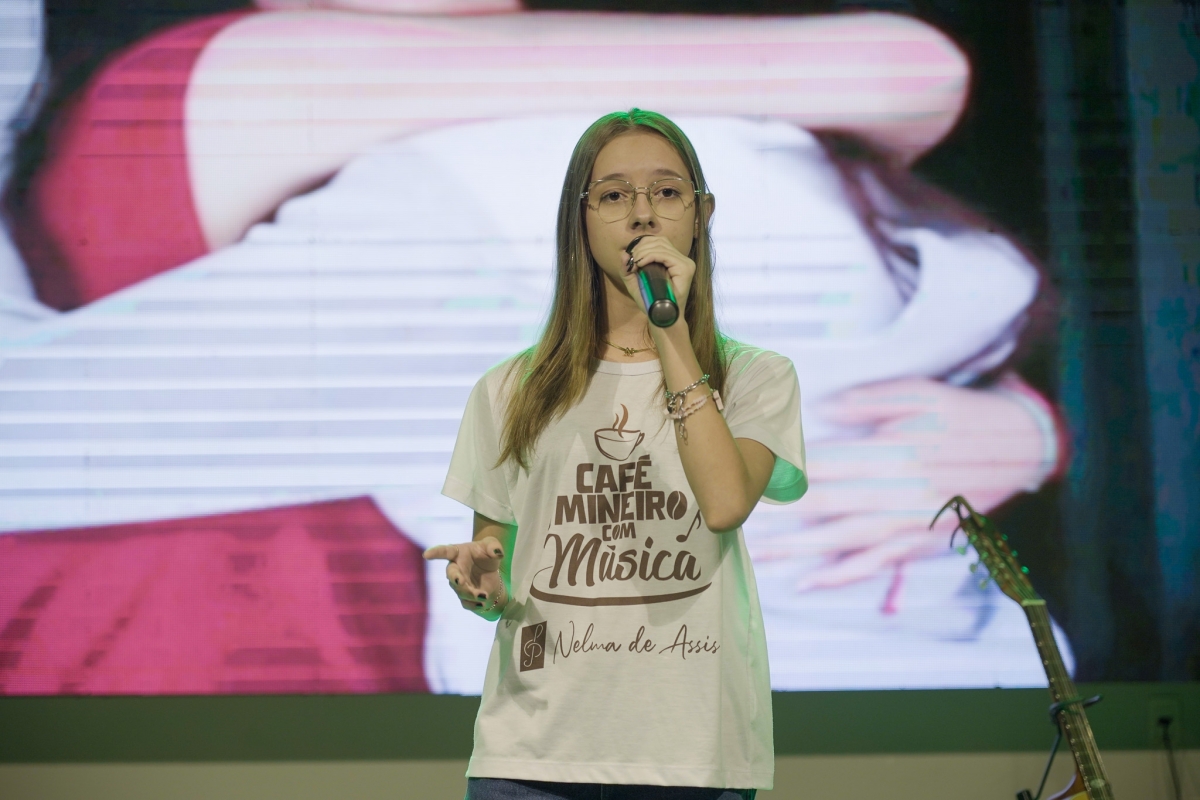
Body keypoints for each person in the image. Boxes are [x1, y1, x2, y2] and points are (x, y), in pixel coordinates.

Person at [422, 109, 806, 797]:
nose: (642, 214)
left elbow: (724, 504)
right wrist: (482, 586)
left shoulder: (756, 377)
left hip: (692, 759)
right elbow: (497, 566)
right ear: (580, 219)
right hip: (532, 757)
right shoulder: (511, 389)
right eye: (613, 195)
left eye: (667, 192)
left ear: (701, 214)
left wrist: (670, 333)